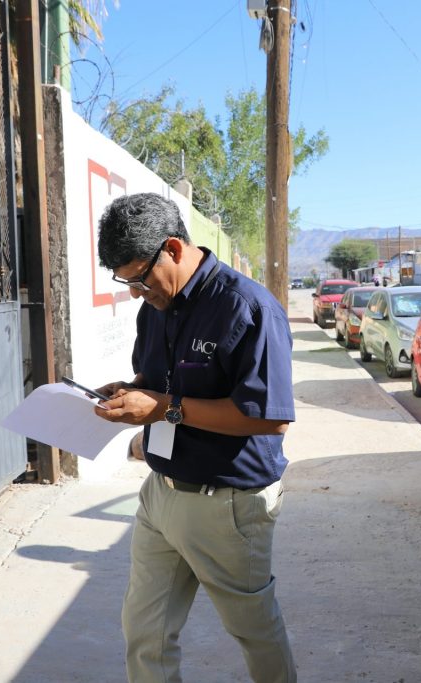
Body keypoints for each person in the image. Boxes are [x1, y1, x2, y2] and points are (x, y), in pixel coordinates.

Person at [92, 193, 297, 683]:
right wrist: (130, 391)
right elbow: (158, 379)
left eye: (140, 278)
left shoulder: (248, 307)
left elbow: (269, 418)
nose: (136, 293)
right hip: (160, 494)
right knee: (144, 631)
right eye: (127, 283)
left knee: (253, 631)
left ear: (173, 248)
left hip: (227, 503)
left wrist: (163, 408)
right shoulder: (155, 307)